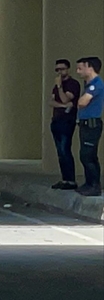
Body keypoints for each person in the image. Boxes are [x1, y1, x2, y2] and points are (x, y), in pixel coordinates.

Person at [49, 59, 82, 190]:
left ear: (68, 69)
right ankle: (65, 179)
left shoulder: (73, 84)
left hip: (67, 121)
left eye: (62, 69)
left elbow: (65, 98)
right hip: (56, 120)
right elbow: (51, 102)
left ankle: (71, 180)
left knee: (65, 150)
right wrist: (63, 106)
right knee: (60, 152)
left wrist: (59, 87)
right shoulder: (56, 85)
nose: (60, 72)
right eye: (57, 69)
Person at [74, 56, 103, 197]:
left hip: (92, 124)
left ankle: (95, 185)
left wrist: (79, 100)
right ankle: (89, 183)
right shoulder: (89, 84)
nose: (78, 71)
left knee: (88, 155)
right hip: (85, 124)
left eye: (80, 68)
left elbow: (82, 102)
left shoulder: (95, 84)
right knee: (86, 155)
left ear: (89, 67)